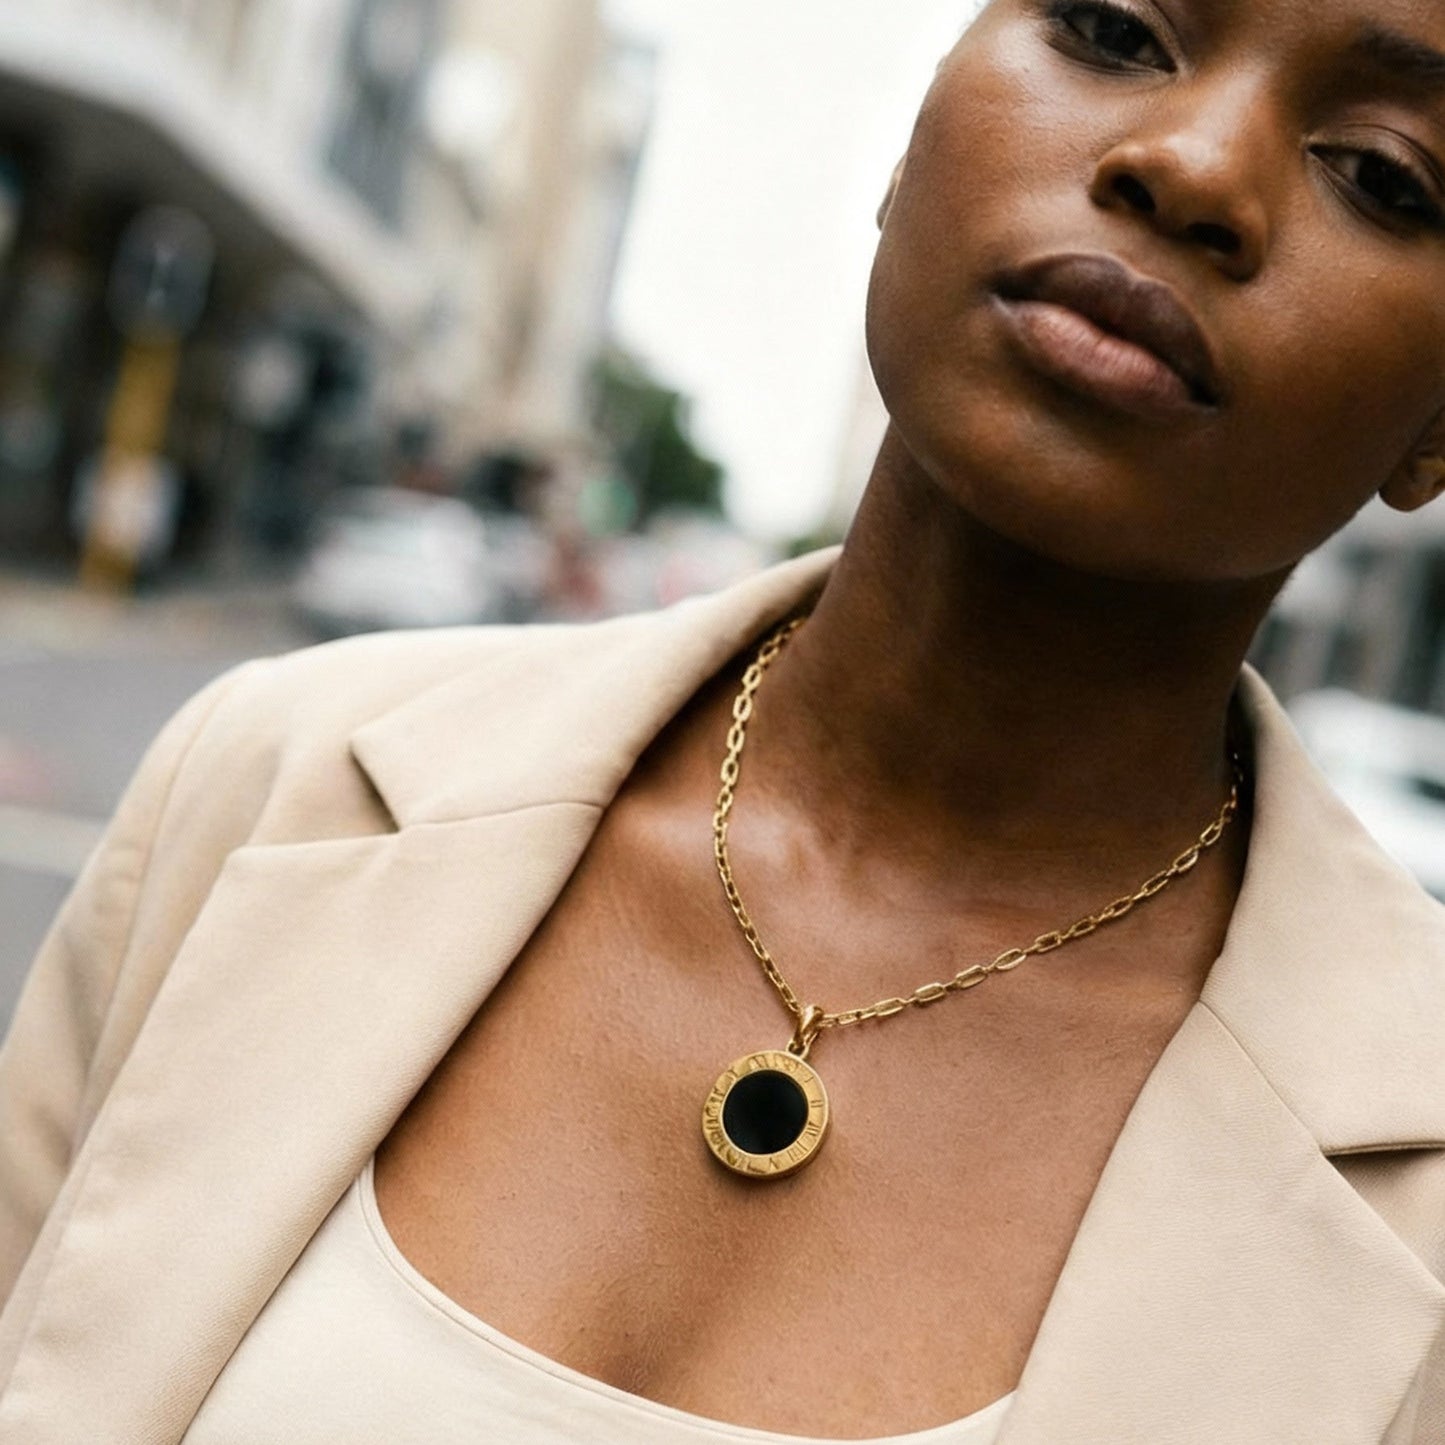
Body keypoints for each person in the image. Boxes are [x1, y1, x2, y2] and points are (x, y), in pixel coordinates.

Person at [4, 1, 1445, 1439]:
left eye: (1383, 174)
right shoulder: (274, 778)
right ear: (914, 133)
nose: (1188, 165)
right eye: (1112, 28)